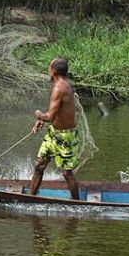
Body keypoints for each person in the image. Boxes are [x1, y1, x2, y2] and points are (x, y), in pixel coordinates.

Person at [30, 58, 80, 200]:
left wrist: (39, 114)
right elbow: (57, 112)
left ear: (54, 71)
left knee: (67, 173)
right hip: (53, 134)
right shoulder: (64, 84)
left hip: (65, 137)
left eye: (49, 67)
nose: (48, 70)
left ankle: (77, 203)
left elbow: (51, 116)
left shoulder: (59, 88)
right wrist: (42, 120)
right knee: (39, 165)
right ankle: (30, 198)